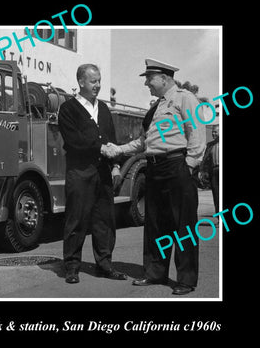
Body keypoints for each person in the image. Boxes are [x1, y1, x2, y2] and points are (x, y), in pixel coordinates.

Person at [108, 58, 206, 295]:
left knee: (183, 227)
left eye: (149, 79)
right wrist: (119, 149)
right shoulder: (156, 108)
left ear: (164, 78)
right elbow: (144, 142)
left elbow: (197, 135)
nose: (147, 84)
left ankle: (186, 280)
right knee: (155, 226)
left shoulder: (185, 99)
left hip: (176, 167)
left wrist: (189, 167)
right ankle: (154, 273)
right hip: (154, 169)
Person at [58, 63, 127, 284]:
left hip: (103, 172)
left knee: (104, 220)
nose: (97, 85)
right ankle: (71, 267)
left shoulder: (104, 109)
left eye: (99, 80)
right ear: (81, 82)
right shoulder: (68, 109)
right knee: (76, 219)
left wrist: (116, 163)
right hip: (80, 172)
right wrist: (99, 148)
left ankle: (105, 265)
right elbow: (73, 140)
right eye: (93, 81)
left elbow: (111, 137)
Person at [200, 125, 219, 213]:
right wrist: (202, 171)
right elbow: (205, 160)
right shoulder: (210, 145)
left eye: (215, 132)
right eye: (212, 132)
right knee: (216, 196)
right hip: (214, 172)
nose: (213, 134)